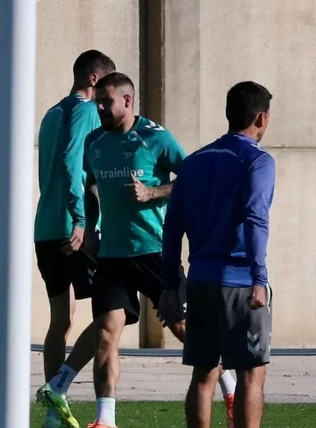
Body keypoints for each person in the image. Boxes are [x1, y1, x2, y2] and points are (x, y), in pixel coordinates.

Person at [41, 72, 235, 428]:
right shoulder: (95, 142)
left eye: (106, 102)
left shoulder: (155, 138)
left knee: (181, 328)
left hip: (155, 252)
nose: (99, 107)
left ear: (128, 101)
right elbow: (92, 188)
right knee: (105, 332)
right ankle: (106, 419)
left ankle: (229, 383)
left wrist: (152, 193)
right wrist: (87, 226)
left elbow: (193, 180)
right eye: (97, 101)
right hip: (113, 255)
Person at [159, 81, 276, 428]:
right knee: (251, 374)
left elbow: (171, 227)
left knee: (204, 373)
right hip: (240, 283)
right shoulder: (257, 161)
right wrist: (259, 278)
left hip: (200, 282)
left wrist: (169, 285)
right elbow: (255, 217)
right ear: (261, 118)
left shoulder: (194, 163)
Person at [32, 50, 116, 428]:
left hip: (46, 229)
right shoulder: (84, 111)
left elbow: (47, 171)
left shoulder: (51, 113)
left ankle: (52, 415)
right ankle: (65, 388)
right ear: (95, 81)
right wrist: (81, 218)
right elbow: (69, 164)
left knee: (60, 321)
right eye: (109, 86)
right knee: (111, 315)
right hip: (72, 229)